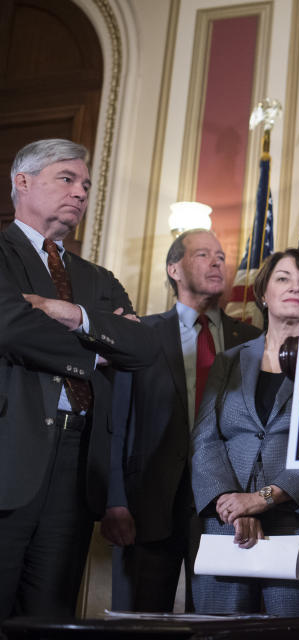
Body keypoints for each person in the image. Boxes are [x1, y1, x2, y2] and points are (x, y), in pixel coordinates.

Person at [0, 139, 158, 620]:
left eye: (86, 185)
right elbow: (9, 325)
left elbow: (143, 348)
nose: (80, 192)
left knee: (50, 615)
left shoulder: (98, 278)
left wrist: (64, 311)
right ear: (22, 183)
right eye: (66, 179)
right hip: (10, 451)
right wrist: (95, 351)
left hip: (78, 460)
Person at [190, 248, 299, 631]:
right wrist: (235, 506)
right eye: (284, 278)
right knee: (219, 633)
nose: (295, 286)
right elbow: (205, 439)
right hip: (228, 522)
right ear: (263, 293)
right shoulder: (230, 360)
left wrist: (262, 499)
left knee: (294, 631)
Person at [102, 229, 260, 611]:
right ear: (174, 268)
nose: (218, 262)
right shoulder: (140, 333)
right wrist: (115, 501)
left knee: (217, 624)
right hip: (149, 504)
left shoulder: (252, 340)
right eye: (203, 254)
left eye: (221, 255)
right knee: (140, 621)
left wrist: (258, 500)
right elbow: (117, 423)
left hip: (226, 504)